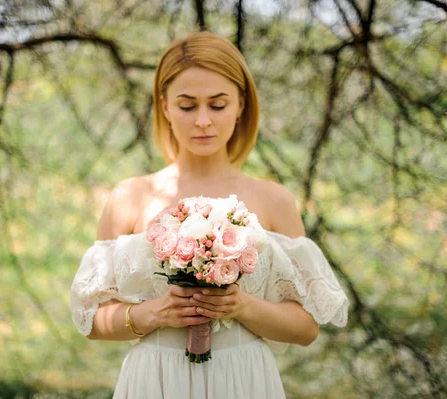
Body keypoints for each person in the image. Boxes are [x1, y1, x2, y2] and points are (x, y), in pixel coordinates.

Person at [70, 31, 349, 398]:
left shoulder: (273, 199)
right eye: (187, 106)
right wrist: (155, 313)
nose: (203, 120)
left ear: (241, 105)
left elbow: (306, 328)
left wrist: (241, 305)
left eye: (217, 105)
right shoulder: (130, 197)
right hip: (155, 381)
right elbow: (92, 319)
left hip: (244, 379)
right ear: (165, 106)